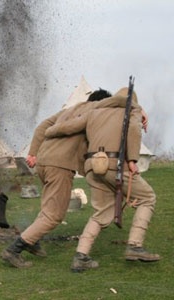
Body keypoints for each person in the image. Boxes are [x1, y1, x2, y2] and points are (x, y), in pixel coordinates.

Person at [0, 88, 143, 268]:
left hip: (44, 161)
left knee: (47, 209)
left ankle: (32, 240)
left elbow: (42, 126)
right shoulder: (97, 111)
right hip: (59, 165)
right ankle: (13, 250)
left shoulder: (70, 110)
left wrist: (33, 153)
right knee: (54, 215)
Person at [44, 87, 159, 272]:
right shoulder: (132, 111)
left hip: (92, 167)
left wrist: (49, 131)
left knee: (101, 212)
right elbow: (134, 132)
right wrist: (132, 160)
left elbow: (69, 127)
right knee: (148, 198)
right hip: (115, 165)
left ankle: (81, 256)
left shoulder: (94, 112)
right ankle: (135, 246)